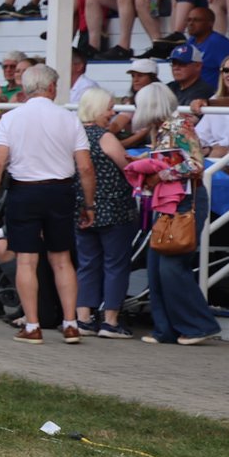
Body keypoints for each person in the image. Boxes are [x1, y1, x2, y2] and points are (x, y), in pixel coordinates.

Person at [0, 66, 91, 344]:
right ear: (52, 87)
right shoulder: (69, 119)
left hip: (24, 192)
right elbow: (86, 168)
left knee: (27, 261)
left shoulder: (11, 118)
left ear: (27, 88)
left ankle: (32, 326)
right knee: (62, 260)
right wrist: (89, 204)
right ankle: (70, 323)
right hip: (61, 190)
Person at [123, 84, 222, 345]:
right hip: (171, 201)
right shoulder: (167, 128)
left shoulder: (177, 127)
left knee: (171, 266)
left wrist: (159, 174)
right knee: (158, 265)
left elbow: (195, 164)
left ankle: (197, 325)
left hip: (183, 201)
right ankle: (167, 329)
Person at [70, 86, 137, 339]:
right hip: (113, 209)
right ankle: (110, 320)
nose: (112, 113)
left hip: (82, 209)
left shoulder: (74, 136)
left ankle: (83, 317)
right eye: (109, 108)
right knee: (115, 264)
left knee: (87, 264)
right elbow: (127, 168)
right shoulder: (105, 137)